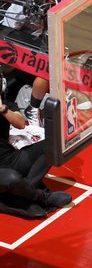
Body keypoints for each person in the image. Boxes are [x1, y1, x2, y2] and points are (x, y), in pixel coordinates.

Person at [0, 87, 72, 218]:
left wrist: (3, 110)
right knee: (12, 178)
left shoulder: (4, 104)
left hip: (10, 159)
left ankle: (23, 192)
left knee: (52, 144)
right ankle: (42, 197)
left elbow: (21, 123)